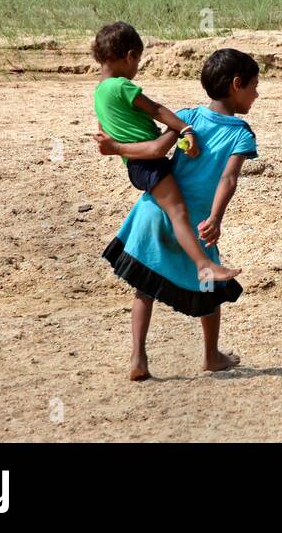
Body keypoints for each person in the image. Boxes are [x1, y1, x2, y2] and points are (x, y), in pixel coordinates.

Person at [98, 48, 260, 380]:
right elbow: (228, 178)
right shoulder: (242, 134)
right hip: (196, 221)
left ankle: (138, 358)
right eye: (254, 86)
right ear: (237, 84)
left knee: (145, 287)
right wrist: (215, 218)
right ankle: (211, 356)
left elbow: (154, 150)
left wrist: (117, 148)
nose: (257, 94)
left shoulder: (188, 118)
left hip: (154, 210)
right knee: (209, 286)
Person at [91, 21, 241, 285]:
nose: (136, 69)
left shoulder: (99, 92)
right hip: (149, 163)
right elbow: (156, 109)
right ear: (129, 57)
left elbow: (105, 132)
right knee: (178, 213)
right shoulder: (122, 86)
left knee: (171, 212)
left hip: (135, 165)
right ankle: (203, 265)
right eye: (138, 61)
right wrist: (184, 127)